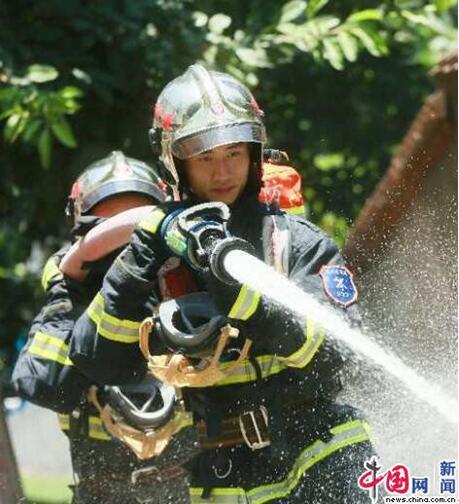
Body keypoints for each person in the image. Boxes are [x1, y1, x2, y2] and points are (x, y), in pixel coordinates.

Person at [69, 65, 377, 503]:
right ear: (175, 162)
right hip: (221, 476)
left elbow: (336, 353)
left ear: (254, 152)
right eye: (204, 158)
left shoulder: (293, 242)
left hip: (321, 456)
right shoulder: (158, 261)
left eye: (234, 152)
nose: (223, 172)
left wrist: (246, 301)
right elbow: (97, 361)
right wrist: (138, 258)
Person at [11, 151, 197, 504]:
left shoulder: (187, 292)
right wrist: (66, 290)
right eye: (108, 233)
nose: (125, 252)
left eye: (137, 233)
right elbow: (43, 385)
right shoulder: (71, 297)